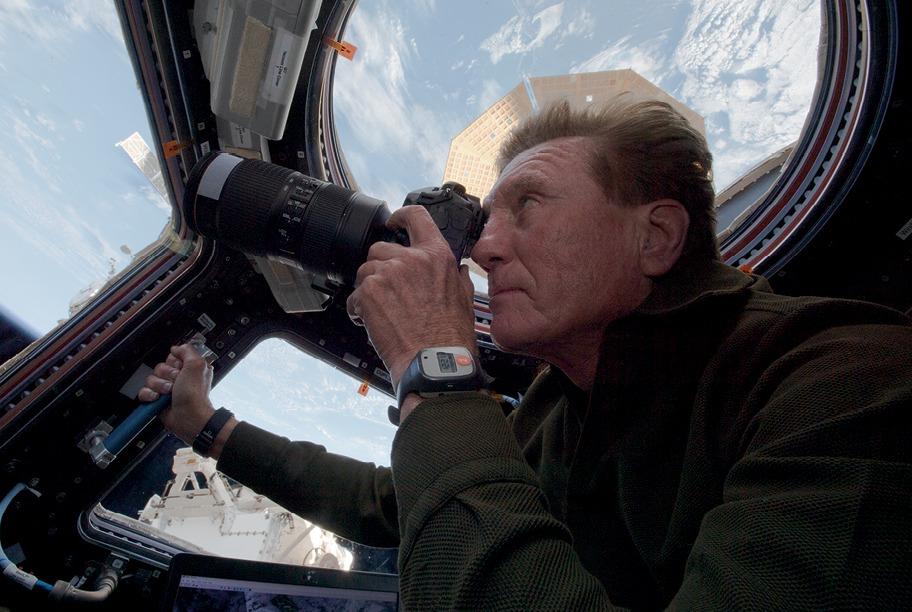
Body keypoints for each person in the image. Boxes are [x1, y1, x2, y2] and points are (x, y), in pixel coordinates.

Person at [139, 99, 912, 609]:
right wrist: (210, 429)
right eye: (487, 219)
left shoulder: (845, 381)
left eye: (528, 207)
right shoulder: (559, 403)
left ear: (656, 237)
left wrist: (437, 377)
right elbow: (395, 504)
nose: (484, 251)